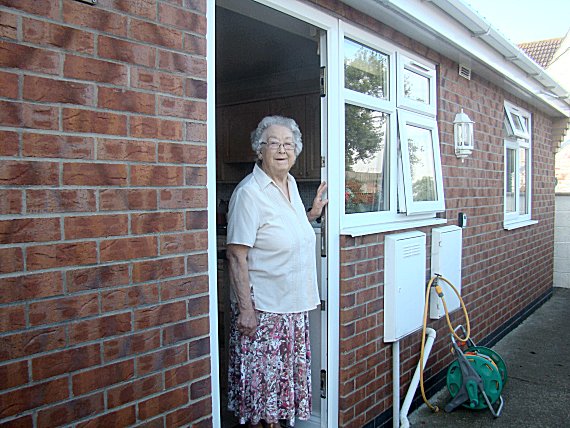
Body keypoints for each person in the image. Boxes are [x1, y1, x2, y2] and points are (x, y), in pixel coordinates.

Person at [226, 115, 328, 427]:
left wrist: (312, 214)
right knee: (261, 394)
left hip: (293, 308)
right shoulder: (249, 193)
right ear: (260, 150)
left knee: (280, 391)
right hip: (264, 312)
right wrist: (246, 311)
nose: (282, 150)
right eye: (273, 143)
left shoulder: (291, 185)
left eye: (288, 144)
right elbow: (236, 255)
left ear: (296, 150)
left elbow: (284, 231)